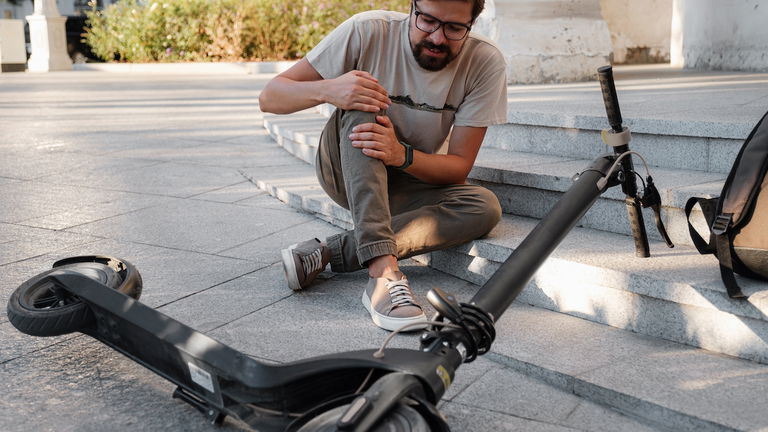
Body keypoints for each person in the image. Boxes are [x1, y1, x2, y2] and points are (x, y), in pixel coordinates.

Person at [259, 0, 507, 331]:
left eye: (454, 28)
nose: (436, 37)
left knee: (483, 206)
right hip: (346, 169)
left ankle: (330, 252)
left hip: (407, 175)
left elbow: (458, 166)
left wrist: (400, 155)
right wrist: (331, 90)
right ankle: (383, 273)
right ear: (411, 7)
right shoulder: (367, 31)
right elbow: (270, 97)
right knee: (365, 99)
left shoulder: (484, 62)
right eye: (427, 21)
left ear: (471, 25)